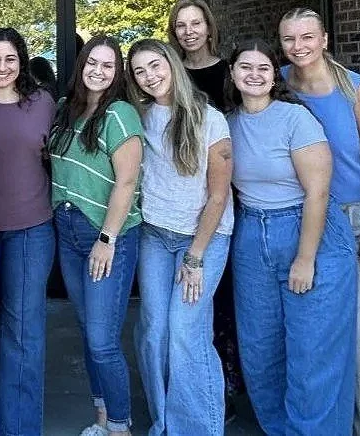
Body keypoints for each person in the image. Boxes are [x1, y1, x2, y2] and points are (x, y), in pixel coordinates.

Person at [226, 38, 357, 435]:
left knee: (311, 354)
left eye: (263, 68)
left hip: (309, 231)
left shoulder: (295, 118)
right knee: (260, 351)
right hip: (252, 234)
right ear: (231, 74)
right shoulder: (227, 122)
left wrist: (306, 257)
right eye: (245, 67)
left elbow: (318, 190)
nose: (254, 75)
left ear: (274, 75)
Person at [278, 8, 360, 436]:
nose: (299, 46)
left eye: (307, 37)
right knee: (319, 331)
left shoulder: (357, 89)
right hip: (310, 218)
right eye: (290, 39)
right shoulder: (278, 83)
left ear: (324, 39)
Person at [127, 39, 233, 435]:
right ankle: (164, 424)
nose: (150, 76)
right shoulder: (140, 116)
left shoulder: (211, 119)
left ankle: (201, 428)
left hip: (203, 240)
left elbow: (219, 194)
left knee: (186, 333)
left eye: (155, 65)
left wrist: (196, 256)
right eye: (140, 71)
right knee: (153, 331)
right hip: (154, 235)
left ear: (172, 63)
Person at [49, 36, 143, 436]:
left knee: (103, 340)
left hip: (106, 235)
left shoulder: (120, 113)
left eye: (108, 65)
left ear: (117, 72)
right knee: (90, 335)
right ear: (81, 66)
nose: (98, 71)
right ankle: (102, 417)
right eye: (92, 63)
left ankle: (120, 424)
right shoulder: (66, 110)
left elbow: (127, 181)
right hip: (67, 229)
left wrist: (106, 239)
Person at [0, 27, 57, 436]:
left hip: (30, 231)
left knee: (23, 332)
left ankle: (19, 428)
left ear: (21, 63)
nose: (2, 67)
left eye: (10, 59)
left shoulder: (42, 103)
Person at [166, 0, 244, 413]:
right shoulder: (170, 74)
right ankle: (192, 386)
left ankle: (227, 382)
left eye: (196, 23)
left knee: (223, 295)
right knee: (191, 307)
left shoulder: (230, 73)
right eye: (181, 25)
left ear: (209, 28)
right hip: (181, 200)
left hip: (225, 190)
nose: (189, 31)